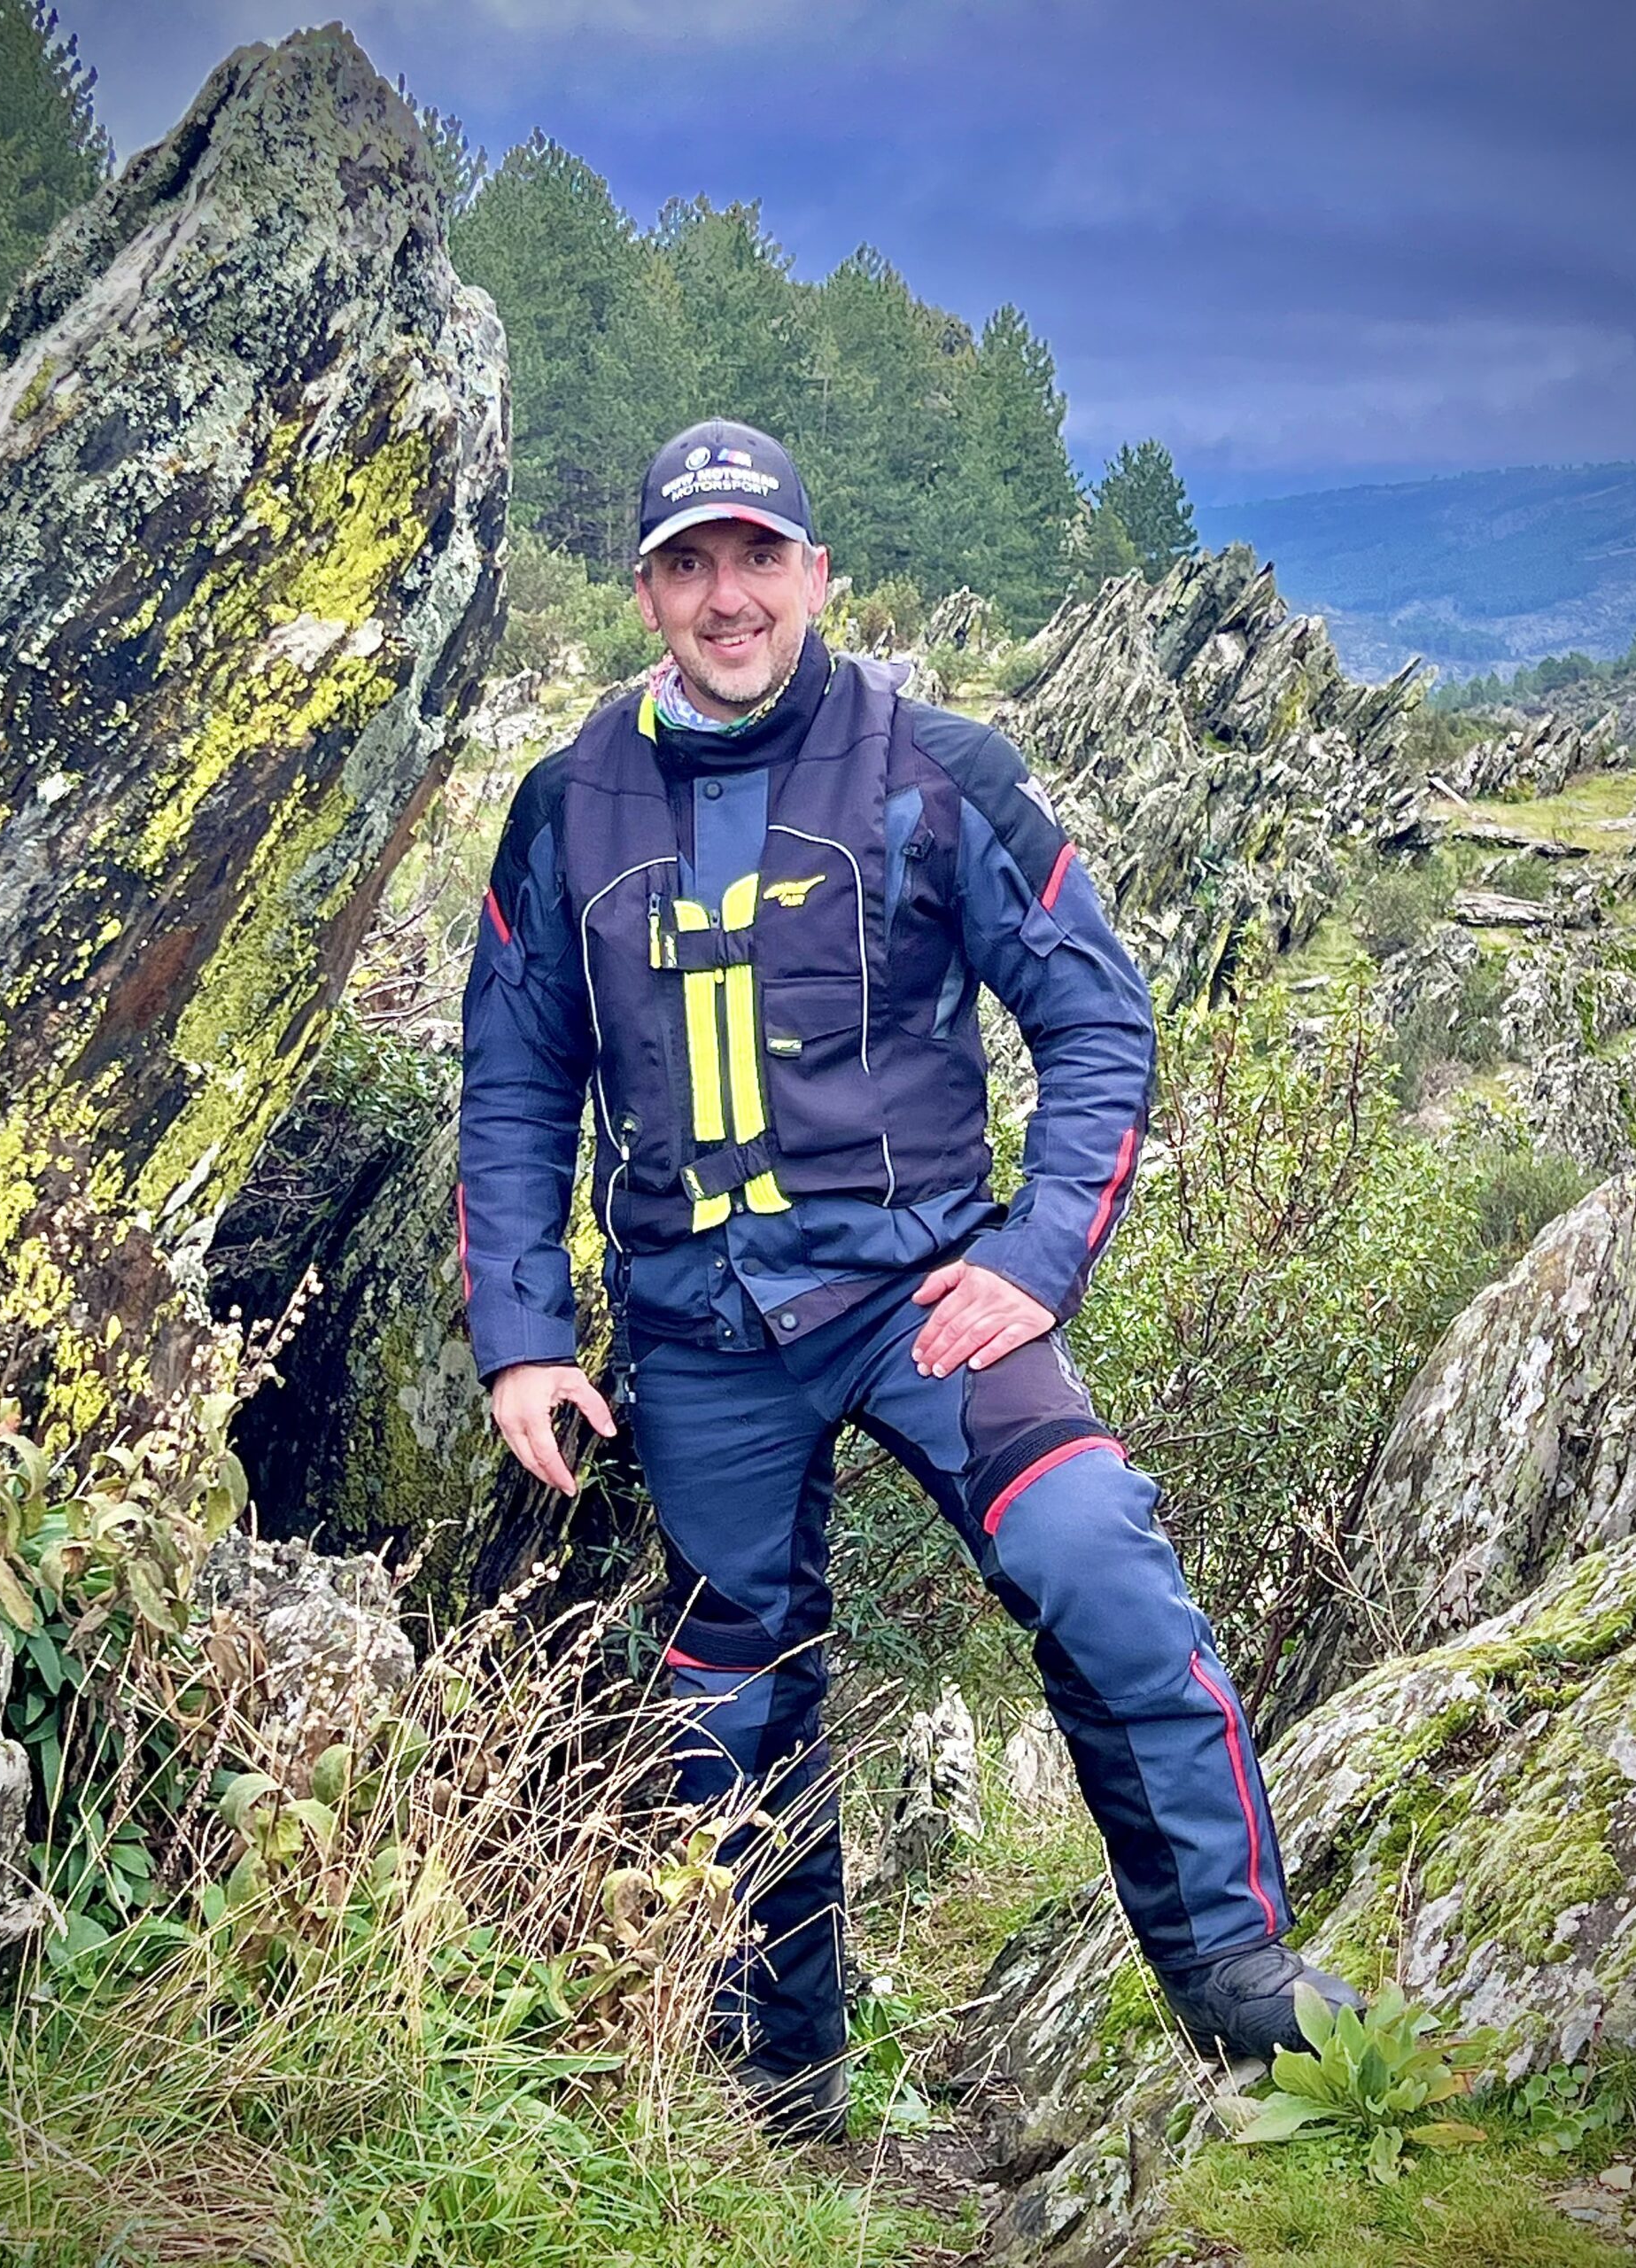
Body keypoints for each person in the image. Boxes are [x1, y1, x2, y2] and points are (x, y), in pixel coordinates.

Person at [456, 416, 1361, 2139]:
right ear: (646, 591)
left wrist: (1037, 1256)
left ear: (817, 572)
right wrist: (522, 1334)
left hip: (922, 1297)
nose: (728, 596)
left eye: (758, 557)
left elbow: (1098, 1015)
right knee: (730, 1720)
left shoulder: (940, 766)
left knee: (1095, 1556)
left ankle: (1240, 1985)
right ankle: (784, 2103)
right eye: (689, 564)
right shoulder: (567, 804)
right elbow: (511, 1079)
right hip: (701, 1331)